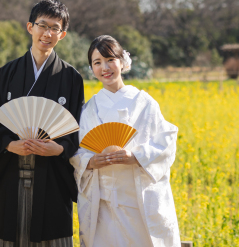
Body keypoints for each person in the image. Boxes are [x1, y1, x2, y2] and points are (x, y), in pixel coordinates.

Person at [0, 0, 85, 247]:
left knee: (53, 237)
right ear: (30, 27)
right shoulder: (7, 73)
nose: (47, 33)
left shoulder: (71, 77)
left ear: (62, 34)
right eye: (42, 25)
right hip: (9, 173)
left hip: (53, 177)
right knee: (9, 237)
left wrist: (60, 148)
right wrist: (8, 144)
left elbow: (78, 127)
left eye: (55, 28)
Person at [70, 35, 180, 247]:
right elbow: (78, 151)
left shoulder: (144, 103)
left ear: (122, 61)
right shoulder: (89, 109)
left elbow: (165, 143)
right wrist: (90, 162)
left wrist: (137, 156)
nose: (105, 68)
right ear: (91, 68)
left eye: (110, 59)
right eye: (97, 62)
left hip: (137, 200)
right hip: (102, 203)